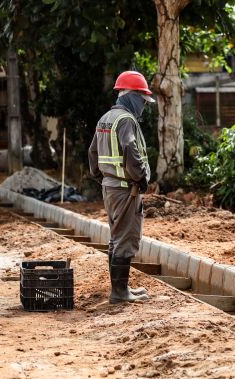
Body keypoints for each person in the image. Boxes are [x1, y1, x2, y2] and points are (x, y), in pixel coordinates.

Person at [88, 70, 154, 303]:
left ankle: (121, 289)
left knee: (117, 236)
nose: (144, 106)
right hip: (125, 188)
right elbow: (130, 149)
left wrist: (102, 177)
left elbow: (92, 152)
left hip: (110, 187)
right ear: (133, 96)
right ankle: (119, 292)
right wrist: (141, 178)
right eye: (143, 101)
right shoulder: (125, 120)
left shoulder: (106, 118)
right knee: (126, 237)